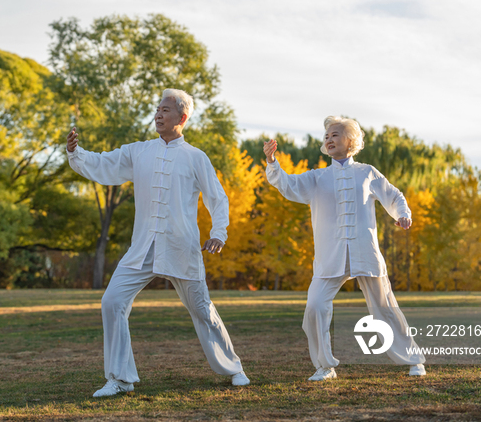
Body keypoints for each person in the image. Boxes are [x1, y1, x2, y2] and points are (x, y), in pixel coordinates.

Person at [66, 88, 249, 397]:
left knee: (202, 310)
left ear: (183, 117)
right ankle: (120, 379)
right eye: (158, 109)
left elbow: (217, 198)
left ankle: (234, 368)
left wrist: (219, 232)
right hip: (141, 249)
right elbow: (104, 165)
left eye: (165, 110)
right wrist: (76, 153)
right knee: (112, 302)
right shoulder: (139, 151)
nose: (158, 114)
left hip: (182, 249)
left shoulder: (196, 157)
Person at [263, 116, 426, 381]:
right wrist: (272, 162)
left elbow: (393, 195)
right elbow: (288, 185)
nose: (329, 139)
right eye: (326, 136)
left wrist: (402, 214)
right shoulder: (317, 178)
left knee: (384, 308)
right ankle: (324, 366)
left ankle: (414, 360)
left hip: (366, 252)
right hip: (330, 256)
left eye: (335, 134)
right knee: (315, 306)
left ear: (350, 140)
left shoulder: (367, 172)